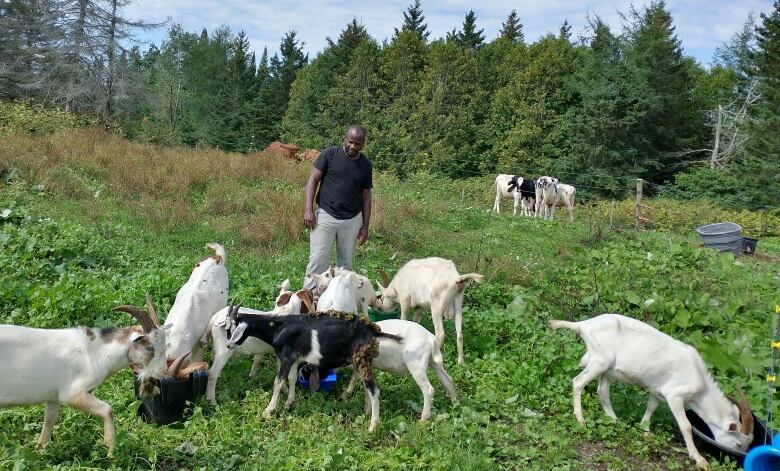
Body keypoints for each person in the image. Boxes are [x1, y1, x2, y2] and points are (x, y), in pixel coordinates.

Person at [302, 125, 372, 290]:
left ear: (363, 144)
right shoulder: (329, 154)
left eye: (357, 144)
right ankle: (309, 301)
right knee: (317, 261)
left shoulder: (366, 165)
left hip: (352, 220)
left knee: (345, 266)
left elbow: (367, 196)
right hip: (325, 215)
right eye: (350, 142)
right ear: (345, 138)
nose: (353, 146)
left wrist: (365, 226)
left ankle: (340, 302)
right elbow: (312, 180)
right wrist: (308, 209)